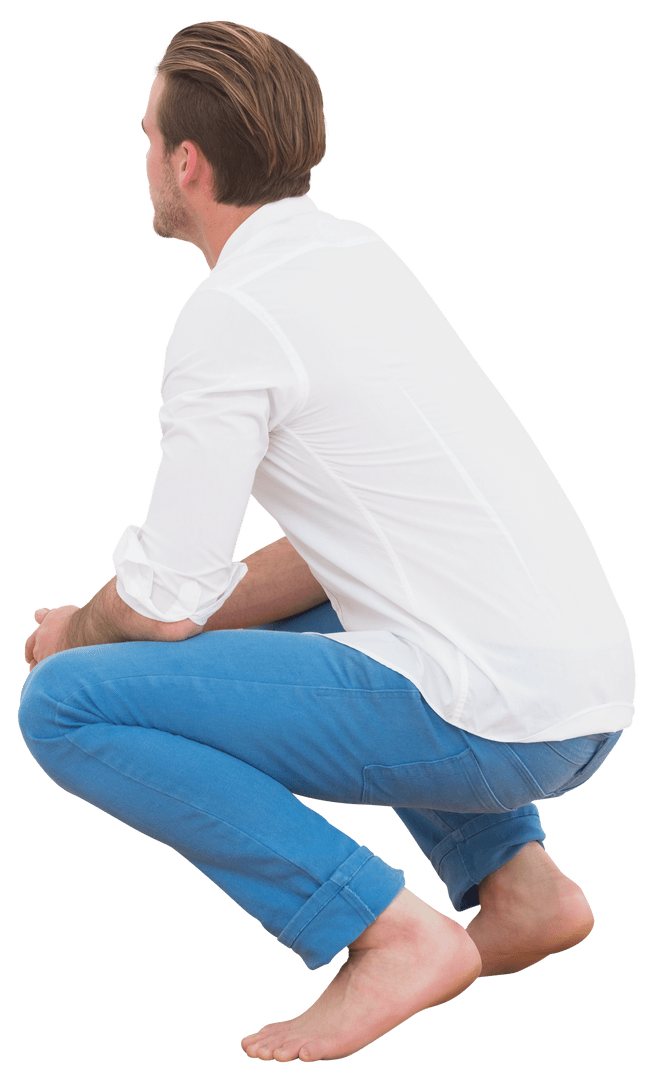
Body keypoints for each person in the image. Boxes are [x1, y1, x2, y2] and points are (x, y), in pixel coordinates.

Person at [18, 19, 635, 1064]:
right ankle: (518, 887)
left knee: (65, 708)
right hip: (586, 700)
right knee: (325, 593)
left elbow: (165, 603)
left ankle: (385, 934)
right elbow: (314, 562)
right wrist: (115, 620)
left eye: (144, 140)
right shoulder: (357, 258)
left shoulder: (234, 316)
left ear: (186, 161)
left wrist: (75, 634)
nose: (144, 163)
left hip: (491, 723)